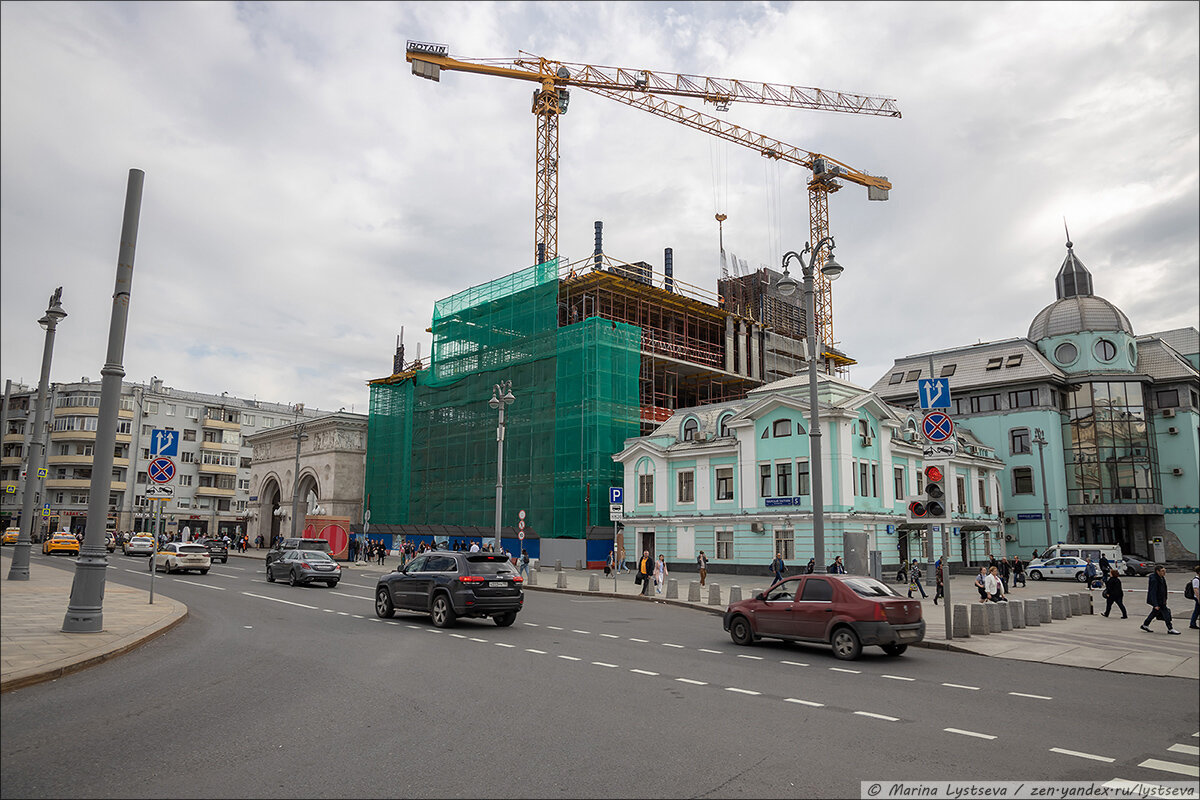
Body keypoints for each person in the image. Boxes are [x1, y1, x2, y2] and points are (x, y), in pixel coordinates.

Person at [1141, 565, 1181, 634]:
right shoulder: (1154, 580)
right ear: (1157, 571)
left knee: (1154, 613)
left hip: (1162, 600)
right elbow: (1152, 592)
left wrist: (1165, 599)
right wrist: (1155, 604)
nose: (1164, 572)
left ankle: (1145, 625)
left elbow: (1164, 589)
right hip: (1158, 600)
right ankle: (1170, 628)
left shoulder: (1162, 578)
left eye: (1164, 571)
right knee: (1166, 614)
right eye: (1162, 571)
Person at [1189, 565, 1200, 630]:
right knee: (1196, 611)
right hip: (1198, 597)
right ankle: (1192, 624)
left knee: (1197, 611)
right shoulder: (1196, 580)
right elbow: (1196, 590)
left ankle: (1192, 623)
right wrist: (1199, 599)